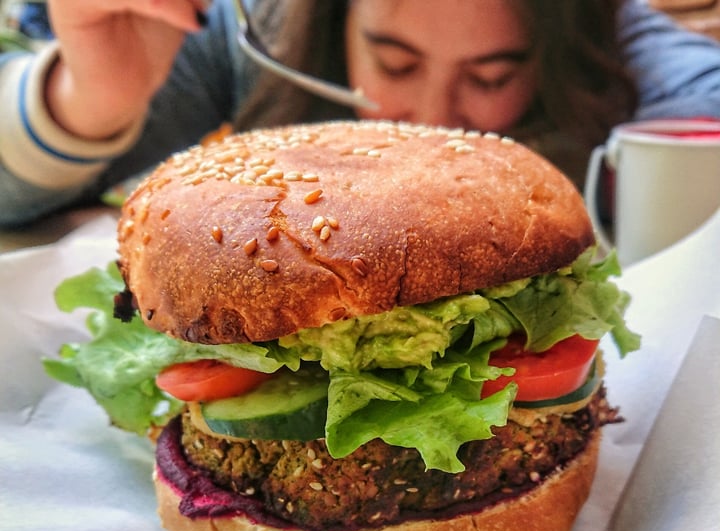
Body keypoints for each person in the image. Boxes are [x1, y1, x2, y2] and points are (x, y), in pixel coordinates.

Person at [1, 0, 720, 228]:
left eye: (492, 75)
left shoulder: (614, 38)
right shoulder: (248, 34)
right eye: (396, 63)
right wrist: (87, 98)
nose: (431, 120)